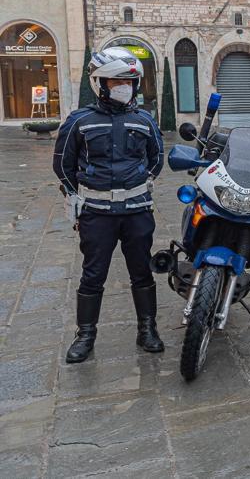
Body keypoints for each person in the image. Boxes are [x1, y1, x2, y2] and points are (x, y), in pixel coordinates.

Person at [53, 47, 165, 364]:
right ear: (100, 83)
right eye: (116, 81)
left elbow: (156, 159)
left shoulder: (144, 120)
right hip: (97, 215)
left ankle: (147, 330)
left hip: (137, 214)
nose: (123, 87)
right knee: (93, 275)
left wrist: (138, 182)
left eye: (129, 82)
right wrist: (79, 198)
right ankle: (85, 336)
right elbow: (63, 166)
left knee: (142, 272)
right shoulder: (79, 121)